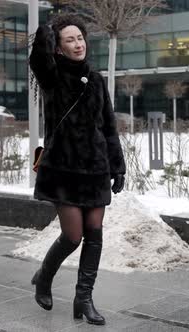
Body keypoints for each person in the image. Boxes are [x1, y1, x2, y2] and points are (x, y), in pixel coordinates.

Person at [28, 13, 125, 326]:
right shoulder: (52, 77)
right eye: (69, 39)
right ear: (58, 48)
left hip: (96, 168)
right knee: (72, 235)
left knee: (94, 233)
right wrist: (49, 26)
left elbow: (108, 126)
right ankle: (44, 277)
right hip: (63, 169)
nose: (77, 43)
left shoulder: (96, 80)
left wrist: (118, 166)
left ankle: (84, 298)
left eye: (80, 38)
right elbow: (38, 58)